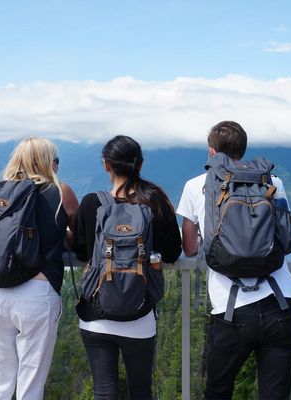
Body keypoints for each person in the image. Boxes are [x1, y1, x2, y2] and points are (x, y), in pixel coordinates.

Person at [177, 121, 291, 400]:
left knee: (218, 390)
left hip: (230, 310)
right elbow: (286, 241)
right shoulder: (272, 182)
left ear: (211, 152)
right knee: (275, 394)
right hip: (281, 302)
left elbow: (189, 247)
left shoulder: (195, 185)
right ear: (243, 150)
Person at [74, 135, 182, 400]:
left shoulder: (91, 203)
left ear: (106, 165)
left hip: (95, 317)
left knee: (104, 393)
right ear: (140, 165)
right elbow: (172, 252)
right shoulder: (154, 201)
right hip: (140, 315)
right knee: (141, 392)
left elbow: (81, 251)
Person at [0, 137, 79, 400]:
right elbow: (82, 238)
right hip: (38, 291)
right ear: (47, 162)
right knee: (30, 386)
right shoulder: (60, 192)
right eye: (55, 159)